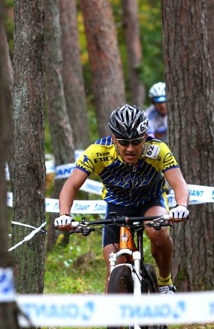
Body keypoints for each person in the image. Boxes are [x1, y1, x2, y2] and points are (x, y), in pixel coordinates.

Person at [54, 104, 189, 294]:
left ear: (144, 137)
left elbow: (179, 183)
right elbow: (71, 185)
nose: (130, 148)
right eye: (124, 142)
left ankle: (165, 282)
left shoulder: (158, 150)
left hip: (150, 202)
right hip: (117, 207)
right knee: (114, 267)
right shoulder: (97, 151)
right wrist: (64, 215)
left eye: (136, 141)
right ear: (113, 139)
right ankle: (121, 319)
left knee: (158, 233)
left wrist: (181, 206)